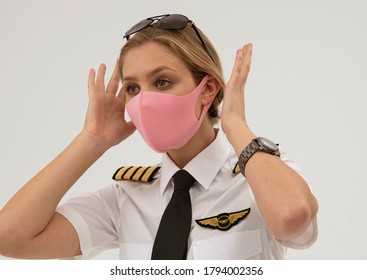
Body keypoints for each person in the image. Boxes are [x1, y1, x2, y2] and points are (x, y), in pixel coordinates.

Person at [0, 14, 318, 260]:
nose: (144, 100)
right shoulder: (126, 198)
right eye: (133, 88)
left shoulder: (260, 177)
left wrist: (236, 126)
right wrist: (92, 139)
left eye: (162, 82)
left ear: (207, 89)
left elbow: (291, 219)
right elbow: (10, 237)